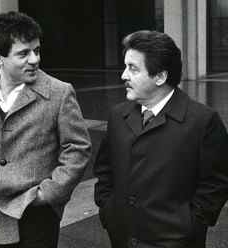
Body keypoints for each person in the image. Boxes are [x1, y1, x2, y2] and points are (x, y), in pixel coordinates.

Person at [0, 11, 91, 248]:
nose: (34, 59)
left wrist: (50, 193)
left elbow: (78, 148)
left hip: (38, 213)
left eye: (37, 50)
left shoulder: (59, 92)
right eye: (23, 53)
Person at [93, 30, 228, 248]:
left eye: (133, 68)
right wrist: (108, 209)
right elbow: (104, 169)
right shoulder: (118, 115)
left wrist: (190, 225)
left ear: (160, 77)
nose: (123, 76)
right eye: (125, 66)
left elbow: (216, 184)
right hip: (122, 237)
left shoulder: (203, 122)